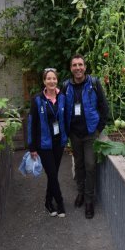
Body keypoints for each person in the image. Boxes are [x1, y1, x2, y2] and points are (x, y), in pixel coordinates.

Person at [63, 54, 109, 219]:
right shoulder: (66, 86)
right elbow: (62, 109)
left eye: (80, 64)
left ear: (85, 67)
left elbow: (104, 107)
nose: (78, 68)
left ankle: (89, 200)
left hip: (90, 133)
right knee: (80, 165)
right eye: (74, 65)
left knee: (90, 165)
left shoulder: (94, 84)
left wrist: (98, 129)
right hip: (75, 134)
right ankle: (81, 193)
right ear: (71, 68)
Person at [28, 68, 68, 217]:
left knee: (53, 175)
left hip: (59, 142)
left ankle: (47, 201)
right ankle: (60, 203)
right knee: (52, 174)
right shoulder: (37, 99)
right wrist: (32, 146)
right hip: (44, 144)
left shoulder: (62, 97)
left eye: (54, 78)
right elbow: (31, 123)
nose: (52, 81)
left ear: (57, 80)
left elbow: (66, 118)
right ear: (44, 81)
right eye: (48, 79)